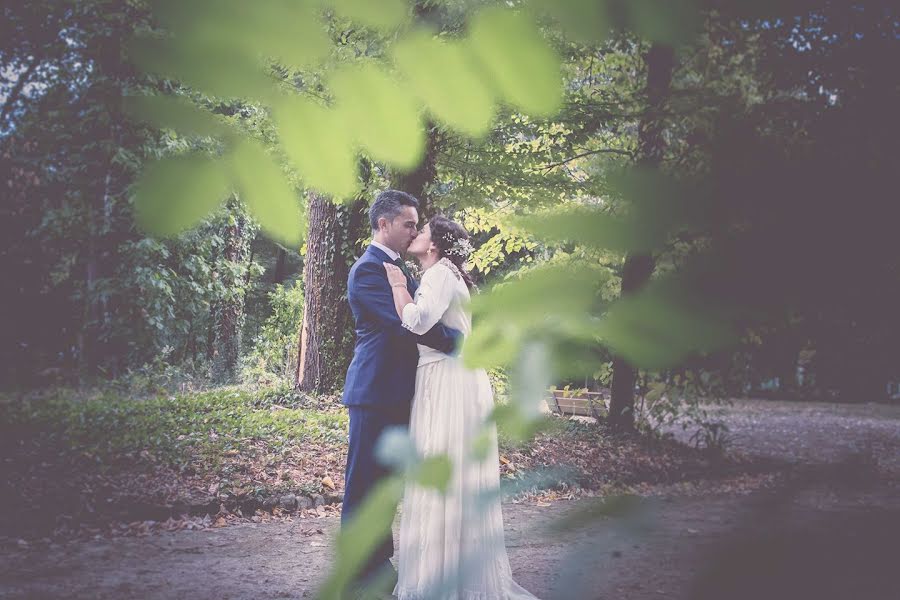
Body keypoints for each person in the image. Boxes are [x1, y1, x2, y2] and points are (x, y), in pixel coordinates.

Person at [384, 215, 540, 599]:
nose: (416, 235)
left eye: (421, 231)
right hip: (456, 377)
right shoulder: (448, 275)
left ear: (434, 244)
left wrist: (398, 287)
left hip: (446, 381)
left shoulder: (438, 274)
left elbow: (418, 323)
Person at [341, 190, 461, 595]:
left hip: (401, 392)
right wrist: (458, 343)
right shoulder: (369, 270)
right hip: (374, 391)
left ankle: (380, 564)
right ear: (384, 224)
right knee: (364, 483)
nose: (414, 230)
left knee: (388, 485)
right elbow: (404, 324)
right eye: (408, 223)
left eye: (416, 225)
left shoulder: (400, 269)